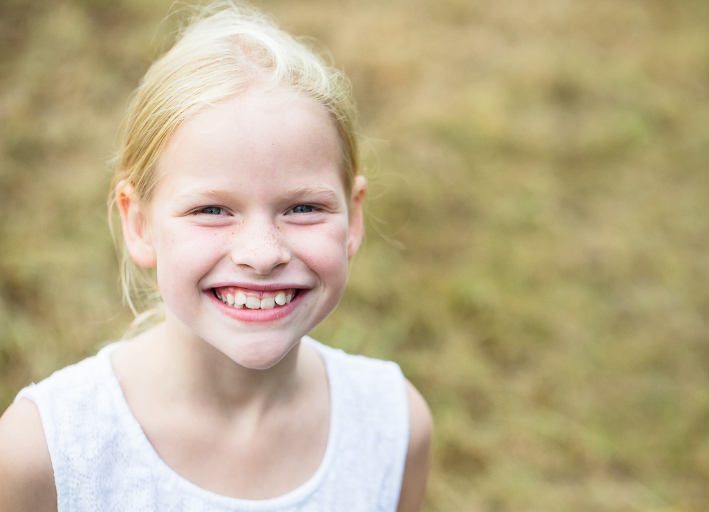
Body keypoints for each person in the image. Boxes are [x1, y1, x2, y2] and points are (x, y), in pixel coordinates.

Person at [0, 3, 432, 511]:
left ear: (352, 219)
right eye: (212, 209)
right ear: (138, 224)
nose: (262, 255)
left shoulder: (395, 427)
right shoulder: (42, 454)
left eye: (303, 208)